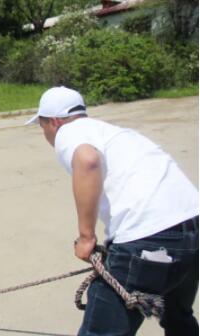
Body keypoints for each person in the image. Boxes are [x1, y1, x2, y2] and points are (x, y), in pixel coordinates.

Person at [26, 86, 199, 335]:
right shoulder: (112, 132)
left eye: (42, 126)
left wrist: (86, 237)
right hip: (192, 226)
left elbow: (88, 161)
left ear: (53, 122)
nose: (45, 133)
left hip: (148, 236)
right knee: (178, 317)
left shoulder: (70, 132)